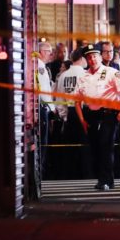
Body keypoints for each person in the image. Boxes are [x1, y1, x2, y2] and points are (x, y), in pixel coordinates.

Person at [75, 44, 120, 190]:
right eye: (89, 57)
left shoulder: (112, 72)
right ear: (86, 59)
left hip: (109, 114)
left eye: (94, 56)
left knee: (106, 146)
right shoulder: (83, 77)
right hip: (92, 115)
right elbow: (77, 101)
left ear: (100, 56)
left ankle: (107, 180)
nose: (92, 59)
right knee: (96, 148)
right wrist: (82, 120)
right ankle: (102, 179)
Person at [55, 48, 91, 179]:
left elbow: (59, 99)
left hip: (70, 113)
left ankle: (70, 176)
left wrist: (64, 116)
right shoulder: (86, 74)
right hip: (84, 112)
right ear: (82, 59)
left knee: (70, 148)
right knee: (86, 147)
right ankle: (86, 175)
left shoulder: (63, 75)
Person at [36, 42, 55, 179]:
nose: (50, 54)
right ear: (42, 51)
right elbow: (43, 91)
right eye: (48, 51)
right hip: (43, 108)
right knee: (43, 142)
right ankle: (40, 174)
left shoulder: (39, 65)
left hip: (42, 107)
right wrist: (52, 108)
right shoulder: (40, 67)